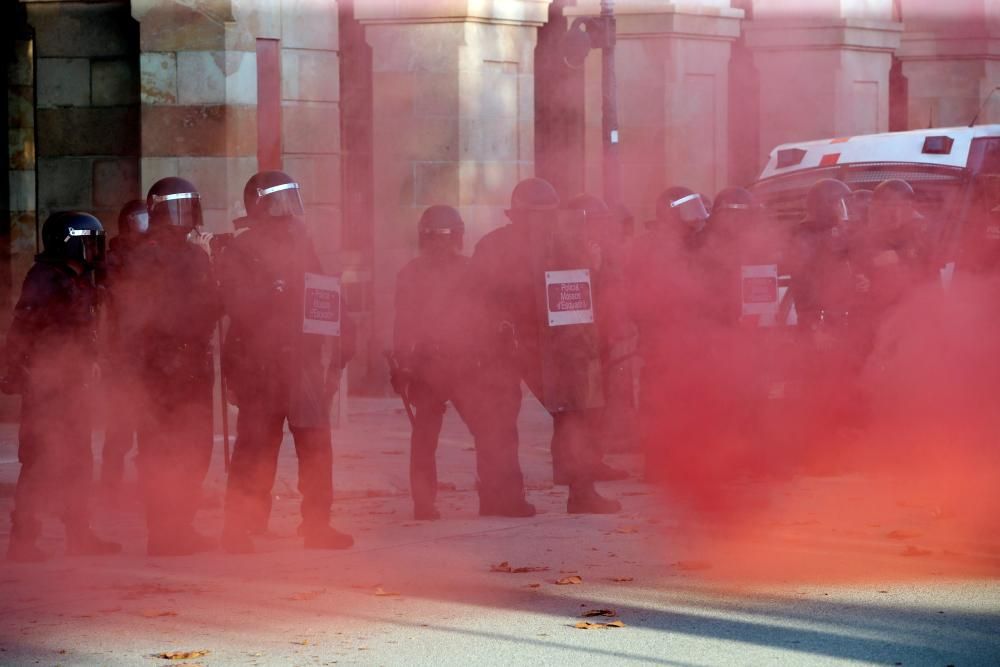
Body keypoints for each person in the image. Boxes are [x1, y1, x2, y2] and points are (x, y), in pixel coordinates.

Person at [220, 170, 355, 552]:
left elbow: (323, 290)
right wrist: (272, 292)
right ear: (258, 204)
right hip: (259, 365)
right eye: (277, 201)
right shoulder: (240, 250)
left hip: (303, 363)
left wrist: (345, 337)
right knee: (255, 448)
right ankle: (240, 527)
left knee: (316, 446)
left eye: (289, 199)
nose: (287, 211)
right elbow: (237, 305)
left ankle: (316, 524)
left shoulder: (302, 243)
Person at [470, 177, 620, 514]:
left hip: (554, 344)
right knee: (498, 419)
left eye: (546, 215)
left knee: (573, 415)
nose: (540, 223)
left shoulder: (567, 245)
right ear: (517, 216)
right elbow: (474, 296)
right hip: (505, 342)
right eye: (534, 216)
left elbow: (585, 293)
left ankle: (580, 492)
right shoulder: (493, 246)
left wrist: (594, 270)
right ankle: (500, 497)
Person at [392, 205, 532, 519]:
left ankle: (425, 505)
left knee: (430, 436)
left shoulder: (413, 273)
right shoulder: (469, 270)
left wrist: (402, 365)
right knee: (483, 432)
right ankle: (488, 500)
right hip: (454, 364)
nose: (442, 245)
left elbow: (403, 327)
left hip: (442, 363)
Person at [3, 211, 121, 562]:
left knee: (78, 462)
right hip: (48, 387)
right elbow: (22, 328)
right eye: (87, 242)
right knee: (40, 463)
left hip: (74, 385)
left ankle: (78, 535)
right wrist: (16, 370)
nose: (93, 251)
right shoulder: (45, 278)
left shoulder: (81, 279)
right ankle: (23, 542)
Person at [119, 177, 220, 556]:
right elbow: (134, 316)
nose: (184, 217)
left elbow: (213, 305)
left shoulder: (196, 255)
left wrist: (214, 267)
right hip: (157, 368)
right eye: (176, 208)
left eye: (189, 207)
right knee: (160, 451)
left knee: (196, 447)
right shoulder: (143, 257)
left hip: (193, 362)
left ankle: (183, 524)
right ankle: (161, 532)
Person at [99, 200, 149, 494]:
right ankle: (110, 485)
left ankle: (149, 481)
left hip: (147, 351)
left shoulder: (154, 255)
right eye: (138, 221)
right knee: (120, 426)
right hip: (122, 351)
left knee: (148, 423)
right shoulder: (114, 258)